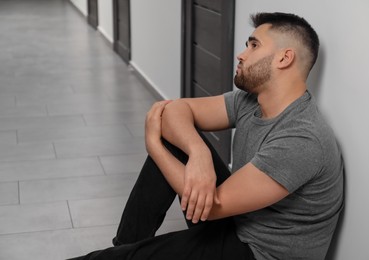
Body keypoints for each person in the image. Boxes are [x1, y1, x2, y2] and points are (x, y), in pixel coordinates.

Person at [68, 12, 344, 260]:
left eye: (254, 45)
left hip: (259, 252)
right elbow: (175, 111)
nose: (242, 54)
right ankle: (123, 247)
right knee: (177, 142)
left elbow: (212, 208)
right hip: (238, 224)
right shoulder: (250, 102)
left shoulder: (302, 138)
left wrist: (154, 146)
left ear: (284, 58)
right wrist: (198, 153)